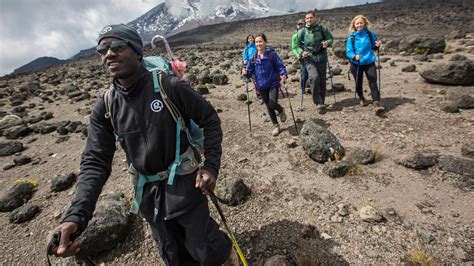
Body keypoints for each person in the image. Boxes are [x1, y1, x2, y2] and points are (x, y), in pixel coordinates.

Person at [46, 24, 237, 265]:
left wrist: (210, 166)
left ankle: (226, 257)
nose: (109, 54)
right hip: (148, 197)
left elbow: (209, 119)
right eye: (102, 50)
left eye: (117, 46)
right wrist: (76, 216)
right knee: (172, 254)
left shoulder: (169, 86)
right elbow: (95, 162)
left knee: (205, 249)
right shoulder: (106, 105)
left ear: (137, 51)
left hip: (186, 186)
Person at [242, 33, 288, 136]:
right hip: (261, 85)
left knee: (272, 103)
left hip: (273, 83)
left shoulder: (271, 54)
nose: (258, 43)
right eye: (257, 42)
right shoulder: (253, 58)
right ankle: (276, 126)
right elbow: (249, 73)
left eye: (260, 41)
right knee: (268, 106)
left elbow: (280, 65)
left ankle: (281, 110)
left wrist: (283, 74)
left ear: (265, 42)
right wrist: (245, 73)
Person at [296, 10, 334, 114]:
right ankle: (317, 102)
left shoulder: (322, 28)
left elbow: (330, 39)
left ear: (314, 18)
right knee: (314, 78)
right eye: (307, 18)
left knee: (322, 80)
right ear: (305, 19)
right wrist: (301, 52)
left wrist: (327, 43)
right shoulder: (302, 32)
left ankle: (322, 101)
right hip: (309, 58)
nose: (309, 19)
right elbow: (298, 45)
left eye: (310, 17)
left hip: (322, 57)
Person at [345, 15, 385, 114]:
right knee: (358, 83)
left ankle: (376, 103)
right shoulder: (352, 37)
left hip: (369, 61)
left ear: (364, 24)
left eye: (361, 23)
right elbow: (348, 52)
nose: (359, 25)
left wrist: (377, 46)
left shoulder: (370, 34)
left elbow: (374, 47)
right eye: (357, 23)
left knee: (373, 81)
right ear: (354, 25)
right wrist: (354, 56)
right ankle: (362, 98)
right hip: (356, 64)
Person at [242, 34, 262, 103]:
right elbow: (245, 58)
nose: (250, 39)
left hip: (259, 65)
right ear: (247, 40)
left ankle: (264, 93)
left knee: (261, 79)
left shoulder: (257, 46)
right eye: (249, 38)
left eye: (251, 38)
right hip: (251, 66)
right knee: (255, 81)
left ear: (253, 39)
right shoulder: (246, 49)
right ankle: (259, 95)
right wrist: (245, 66)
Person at [291, 19, 308, 95]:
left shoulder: (308, 33)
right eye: (299, 24)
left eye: (302, 24)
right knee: (304, 73)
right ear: (297, 26)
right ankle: (303, 89)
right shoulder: (295, 36)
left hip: (310, 55)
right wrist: (297, 54)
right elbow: (294, 47)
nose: (301, 26)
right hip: (302, 57)